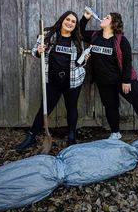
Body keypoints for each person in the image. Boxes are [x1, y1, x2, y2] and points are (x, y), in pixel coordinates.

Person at [80, 10, 138, 144]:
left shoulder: (120, 40)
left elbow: (127, 61)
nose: (103, 18)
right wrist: (85, 18)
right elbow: (80, 33)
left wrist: (126, 80)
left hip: (122, 80)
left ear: (113, 23)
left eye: (107, 17)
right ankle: (115, 133)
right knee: (110, 106)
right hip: (104, 81)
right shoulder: (94, 35)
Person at [15, 11, 88, 151]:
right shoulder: (48, 36)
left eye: (73, 22)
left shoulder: (77, 40)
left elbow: (79, 63)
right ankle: (31, 137)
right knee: (44, 109)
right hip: (53, 81)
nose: (70, 23)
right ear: (62, 20)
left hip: (72, 82)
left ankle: (71, 138)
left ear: (75, 25)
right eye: (68, 19)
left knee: (71, 108)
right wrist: (39, 51)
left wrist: (83, 60)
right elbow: (35, 51)